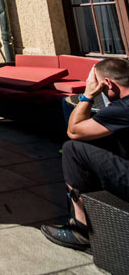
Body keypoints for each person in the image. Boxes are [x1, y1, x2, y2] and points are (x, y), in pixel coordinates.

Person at [40, 58, 129, 251]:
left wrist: (88, 94)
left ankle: (80, 229)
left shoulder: (122, 108)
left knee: (72, 149)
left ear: (107, 83)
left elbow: (73, 130)